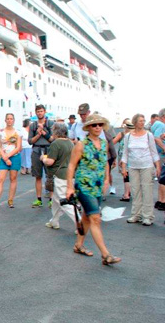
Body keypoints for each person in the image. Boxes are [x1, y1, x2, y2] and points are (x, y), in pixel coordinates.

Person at [66, 114, 121, 266]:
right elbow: (71, 165)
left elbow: (105, 163)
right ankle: (106, 254)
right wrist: (69, 187)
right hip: (83, 186)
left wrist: (106, 180)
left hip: (97, 186)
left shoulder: (104, 143)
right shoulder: (81, 145)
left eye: (100, 125)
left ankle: (78, 245)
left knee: (86, 217)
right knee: (95, 218)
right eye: (94, 125)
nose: (97, 127)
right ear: (88, 128)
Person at [121, 114, 161, 226]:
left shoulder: (148, 135)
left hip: (147, 166)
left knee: (147, 190)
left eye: (143, 121)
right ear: (135, 123)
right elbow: (125, 153)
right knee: (135, 190)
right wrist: (124, 168)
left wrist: (157, 166)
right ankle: (135, 215)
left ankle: (148, 216)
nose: (142, 123)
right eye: (140, 121)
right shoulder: (128, 136)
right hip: (133, 166)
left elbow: (154, 152)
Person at [41, 123, 75, 229]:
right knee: (56, 200)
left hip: (58, 176)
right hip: (69, 175)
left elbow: (50, 161)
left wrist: (43, 158)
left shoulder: (56, 144)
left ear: (56, 131)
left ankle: (79, 223)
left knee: (64, 202)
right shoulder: (70, 143)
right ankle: (54, 221)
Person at [0, 113, 22, 208]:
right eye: (8, 119)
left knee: (13, 178)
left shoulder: (18, 132)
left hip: (15, 157)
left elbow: (18, 147)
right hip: (4, 158)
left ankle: (10, 199)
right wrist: (5, 158)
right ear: (5, 120)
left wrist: (8, 156)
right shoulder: (1, 132)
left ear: (14, 120)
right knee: (0, 179)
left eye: (11, 119)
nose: (9, 120)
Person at [28, 104, 53, 207]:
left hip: (48, 149)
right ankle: (39, 199)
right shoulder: (33, 126)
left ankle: (52, 199)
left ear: (45, 112)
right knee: (38, 176)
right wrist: (38, 134)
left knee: (50, 175)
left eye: (41, 111)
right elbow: (30, 141)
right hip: (36, 150)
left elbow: (52, 139)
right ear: (36, 113)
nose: (40, 113)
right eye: (38, 111)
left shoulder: (50, 124)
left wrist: (43, 132)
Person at [113, 119, 134, 202]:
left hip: (124, 157)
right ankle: (128, 192)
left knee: (126, 176)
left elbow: (113, 142)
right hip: (132, 157)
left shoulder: (122, 134)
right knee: (130, 175)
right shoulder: (134, 135)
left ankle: (126, 194)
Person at [150, 109, 165, 211]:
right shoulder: (161, 124)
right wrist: (164, 148)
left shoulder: (156, 124)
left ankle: (160, 201)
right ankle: (163, 201)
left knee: (162, 179)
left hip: (156, 154)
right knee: (164, 179)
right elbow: (156, 138)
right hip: (161, 154)